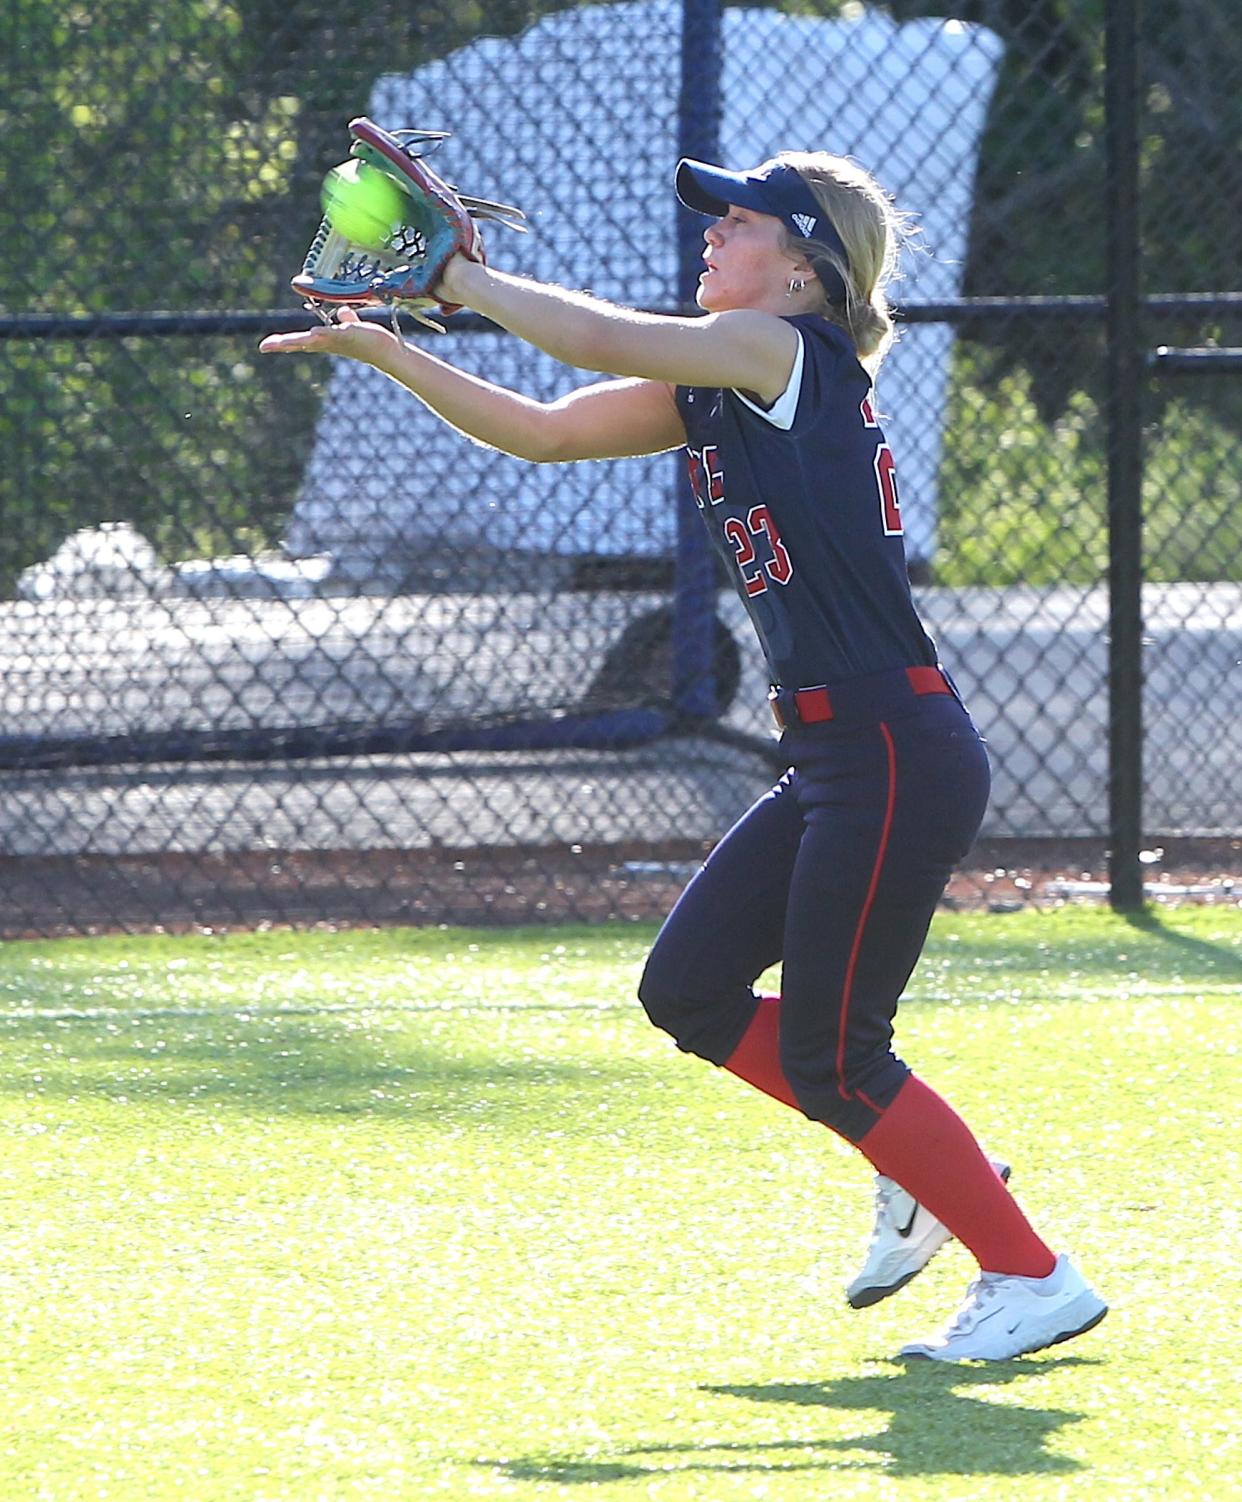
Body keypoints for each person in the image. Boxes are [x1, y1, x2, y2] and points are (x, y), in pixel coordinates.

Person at [261, 148, 1106, 1361]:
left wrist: (461, 277)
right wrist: (398, 351)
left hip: (891, 749)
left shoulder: (779, 355)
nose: (714, 235)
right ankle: (913, 1164)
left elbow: (598, 340)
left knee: (835, 1054)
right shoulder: (721, 381)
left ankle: (1032, 1272)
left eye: (742, 221)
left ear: (806, 270)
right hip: (833, 755)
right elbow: (547, 432)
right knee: (689, 991)